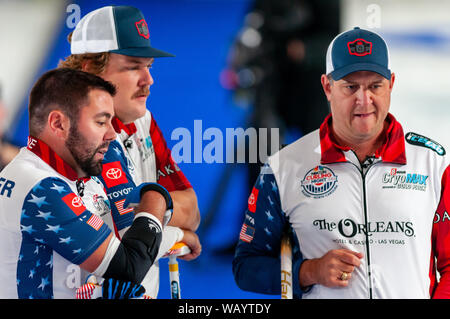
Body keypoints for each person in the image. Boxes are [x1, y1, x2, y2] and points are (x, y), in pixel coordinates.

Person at [233, 27, 450, 298]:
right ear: (327, 87)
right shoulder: (284, 167)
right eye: (350, 87)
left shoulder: (433, 163)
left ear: (391, 84)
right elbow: (246, 266)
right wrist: (308, 271)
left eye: (375, 86)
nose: (363, 100)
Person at [0, 68, 187, 298]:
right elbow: (128, 269)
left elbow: (120, 247)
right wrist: (155, 196)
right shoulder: (41, 188)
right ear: (58, 124)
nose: (112, 134)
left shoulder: (69, 173)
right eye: (101, 122)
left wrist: (174, 234)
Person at [58, 5, 201, 298]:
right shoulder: (70, 137)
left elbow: (192, 209)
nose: (149, 80)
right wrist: (177, 235)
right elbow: (126, 243)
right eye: (134, 66)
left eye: (149, 66)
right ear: (89, 71)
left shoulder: (141, 121)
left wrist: (151, 209)